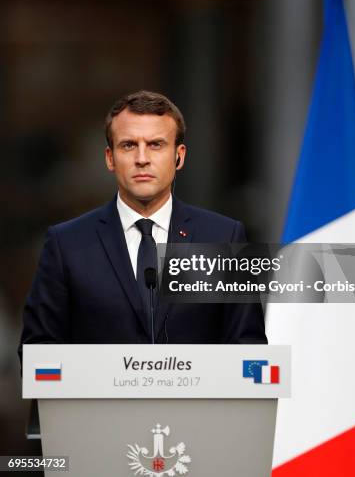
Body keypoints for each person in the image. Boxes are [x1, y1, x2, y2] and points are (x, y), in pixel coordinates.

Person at [19, 91, 267, 350]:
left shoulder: (222, 237)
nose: (142, 159)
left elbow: (247, 348)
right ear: (110, 158)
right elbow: (39, 350)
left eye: (156, 144)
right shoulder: (66, 244)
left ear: (179, 156)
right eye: (128, 145)